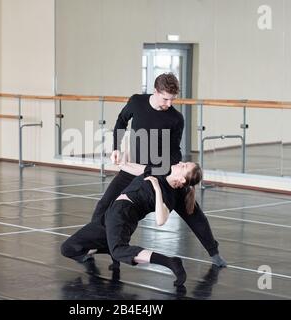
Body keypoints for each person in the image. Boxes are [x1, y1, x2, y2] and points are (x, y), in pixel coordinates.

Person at [89, 73, 226, 267]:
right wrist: (115, 148)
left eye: (173, 99)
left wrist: (163, 171)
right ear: (155, 91)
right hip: (134, 170)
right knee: (104, 205)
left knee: (193, 213)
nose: (169, 103)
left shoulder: (176, 118)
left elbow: (175, 151)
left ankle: (214, 253)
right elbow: (121, 121)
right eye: (165, 98)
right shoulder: (137, 102)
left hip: (164, 172)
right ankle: (89, 244)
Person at [62, 162, 221, 287]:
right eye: (185, 162)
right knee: (68, 248)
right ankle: (109, 248)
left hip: (124, 215)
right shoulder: (161, 170)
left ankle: (171, 262)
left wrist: (157, 189)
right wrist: (122, 163)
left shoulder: (169, 195)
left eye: (184, 166)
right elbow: (140, 169)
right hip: (111, 213)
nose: (181, 163)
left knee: (119, 251)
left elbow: (160, 220)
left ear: (182, 180)